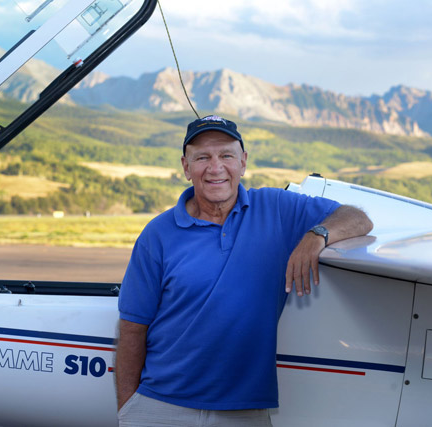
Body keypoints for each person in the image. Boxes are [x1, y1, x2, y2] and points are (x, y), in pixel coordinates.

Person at [115, 115, 373, 426]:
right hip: (161, 406)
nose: (215, 167)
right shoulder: (158, 233)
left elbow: (358, 218)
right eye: (202, 157)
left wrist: (316, 235)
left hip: (244, 412)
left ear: (243, 162)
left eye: (226, 155)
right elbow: (132, 328)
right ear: (186, 167)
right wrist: (129, 411)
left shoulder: (277, 208)